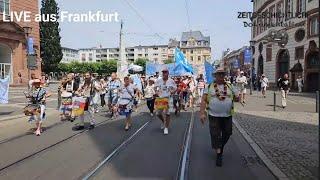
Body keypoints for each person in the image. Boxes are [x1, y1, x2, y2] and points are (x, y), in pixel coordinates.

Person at [200, 68, 237, 167]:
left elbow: (237, 97)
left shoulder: (230, 86)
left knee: (228, 133)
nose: (221, 76)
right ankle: (219, 154)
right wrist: (202, 113)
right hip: (213, 115)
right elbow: (203, 100)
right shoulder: (209, 86)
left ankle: (219, 145)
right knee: (215, 134)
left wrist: (238, 96)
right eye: (219, 74)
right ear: (215, 76)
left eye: (222, 74)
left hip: (227, 115)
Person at [154, 67, 177, 135]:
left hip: (168, 99)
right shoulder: (159, 80)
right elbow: (155, 87)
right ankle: (164, 122)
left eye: (165, 72)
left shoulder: (171, 81)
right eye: (163, 72)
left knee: (167, 113)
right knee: (158, 113)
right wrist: (157, 92)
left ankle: (166, 127)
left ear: (168, 73)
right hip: (161, 99)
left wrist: (172, 91)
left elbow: (175, 88)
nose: (164, 73)